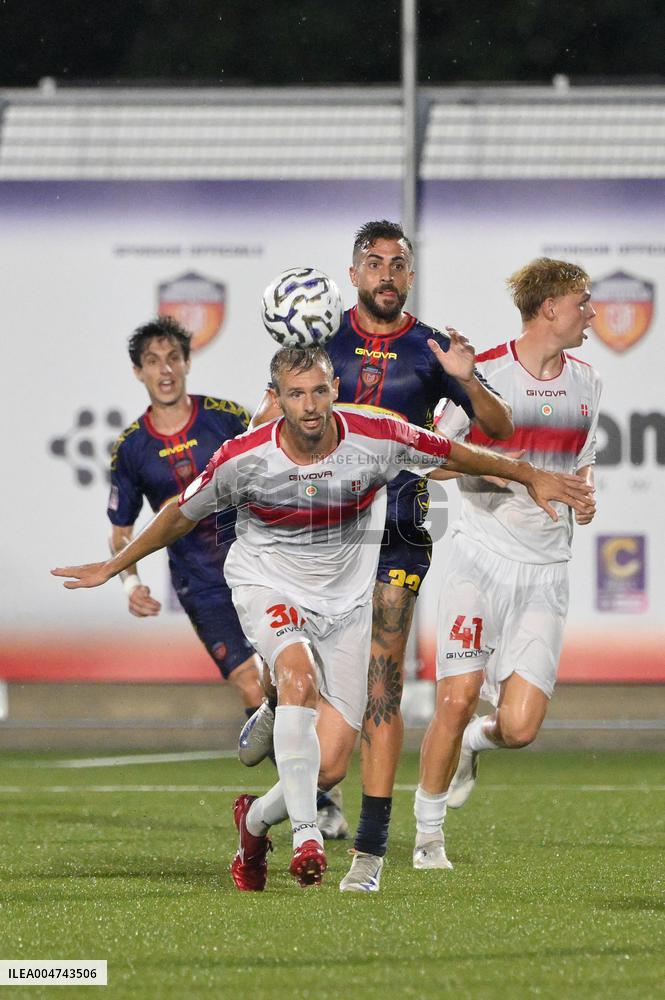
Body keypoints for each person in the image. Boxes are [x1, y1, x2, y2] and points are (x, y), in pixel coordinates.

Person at [52, 345, 594, 891]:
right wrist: (117, 566)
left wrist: (527, 473)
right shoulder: (244, 456)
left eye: (317, 390)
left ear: (334, 388)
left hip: (346, 606)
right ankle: (306, 836)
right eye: (294, 394)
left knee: (328, 766)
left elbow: (455, 451)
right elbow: (179, 514)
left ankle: (255, 820)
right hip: (268, 585)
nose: (308, 405)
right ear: (277, 398)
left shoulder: (375, 436)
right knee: (298, 675)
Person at [241, 219, 514, 889]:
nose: (386, 273)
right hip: (313, 536)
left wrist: (466, 380)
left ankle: (368, 853)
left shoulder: (430, 350)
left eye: (398, 263)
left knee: (382, 685)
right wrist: (265, 411)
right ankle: (279, 702)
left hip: (392, 535)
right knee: (323, 746)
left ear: (409, 276)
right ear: (354, 273)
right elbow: (267, 422)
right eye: (373, 262)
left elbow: (500, 428)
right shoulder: (319, 340)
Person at [412, 258, 601, 871]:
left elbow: (581, 458)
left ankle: (474, 744)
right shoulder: (487, 375)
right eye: (583, 303)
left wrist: (583, 491)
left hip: (546, 571)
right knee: (457, 694)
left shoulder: (588, 383)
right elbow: (431, 460)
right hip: (481, 560)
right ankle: (427, 837)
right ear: (549, 308)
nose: (591, 314)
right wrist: (514, 475)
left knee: (518, 728)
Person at [108, 316, 264, 712]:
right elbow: (120, 532)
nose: (165, 369)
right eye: (154, 361)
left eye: (173, 357)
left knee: (290, 678)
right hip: (201, 586)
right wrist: (131, 584)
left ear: (187, 364)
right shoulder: (132, 447)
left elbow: (272, 468)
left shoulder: (226, 417)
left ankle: (306, 770)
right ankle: (296, 774)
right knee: (250, 684)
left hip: (259, 568)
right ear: (138, 371)